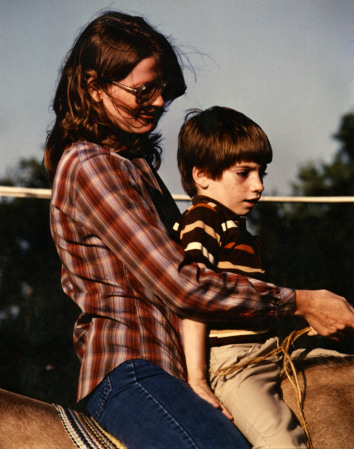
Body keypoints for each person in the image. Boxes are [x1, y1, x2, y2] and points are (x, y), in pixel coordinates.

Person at [43, 10, 354, 449]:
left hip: (173, 367)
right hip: (133, 368)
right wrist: (299, 302)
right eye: (142, 90)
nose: (156, 102)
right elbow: (181, 283)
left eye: (163, 91)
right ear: (94, 87)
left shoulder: (136, 169)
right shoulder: (91, 165)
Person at [173, 106, 308, 448]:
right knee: (283, 443)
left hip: (267, 351)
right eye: (244, 173)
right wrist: (198, 377)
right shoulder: (202, 219)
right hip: (233, 365)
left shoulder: (235, 226)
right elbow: (193, 299)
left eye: (261, 172)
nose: (259, 186)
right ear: (202, 175)